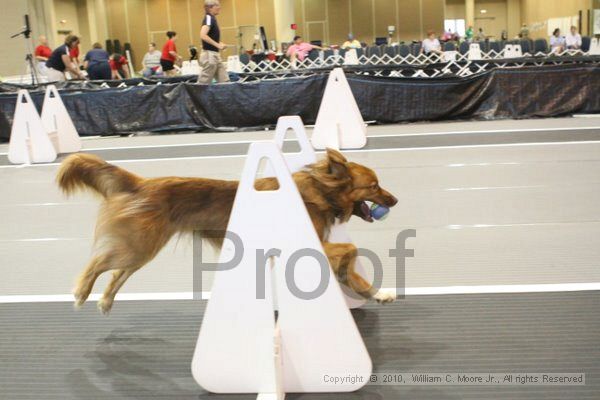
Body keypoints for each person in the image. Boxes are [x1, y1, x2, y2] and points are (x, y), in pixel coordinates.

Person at [198, 0, 230, 84]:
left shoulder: (212, 19)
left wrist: (219, 43)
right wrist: (218, 45)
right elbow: (203, 35)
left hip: (214, 54)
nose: (220, 7)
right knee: (203, 83)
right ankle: (195, 97)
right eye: (217, 5)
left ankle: (226, 96)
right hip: (209, 55)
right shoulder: (209, 18)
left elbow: (210, 36)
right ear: (210, 8)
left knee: (224, 80)